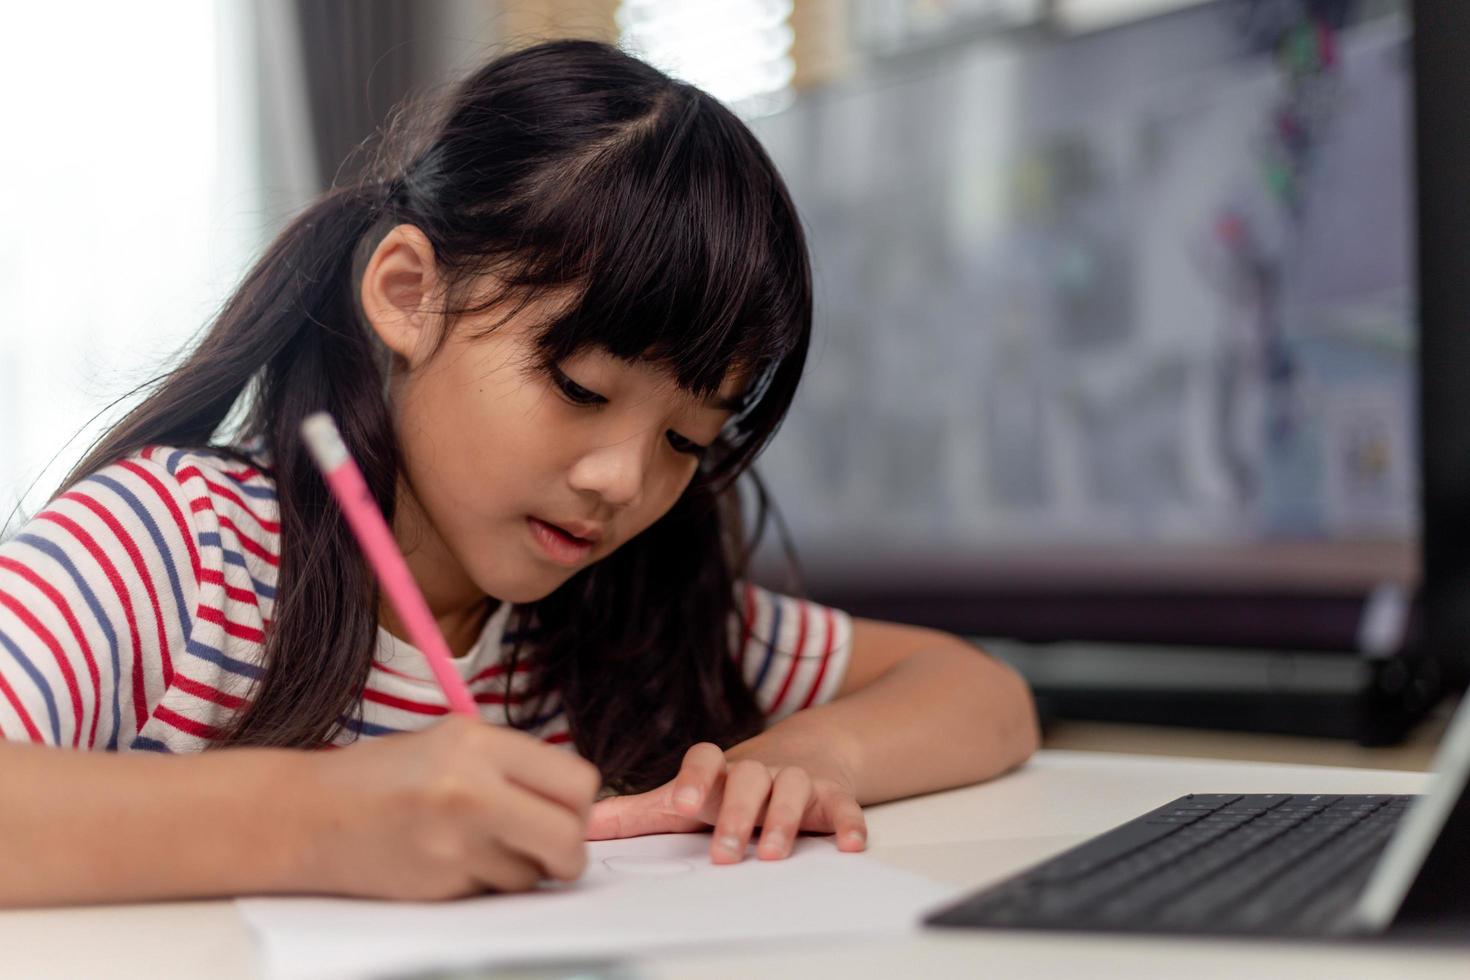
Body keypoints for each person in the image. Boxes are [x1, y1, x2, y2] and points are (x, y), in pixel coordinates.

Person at [0, 40, 1037, 907]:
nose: (622, 478)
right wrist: (316, 823)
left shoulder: (628, 609)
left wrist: (815, 757)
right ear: (409, 293)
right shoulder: (180, 553)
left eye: (686, 440)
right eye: (580, 387)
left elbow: (982, 692)